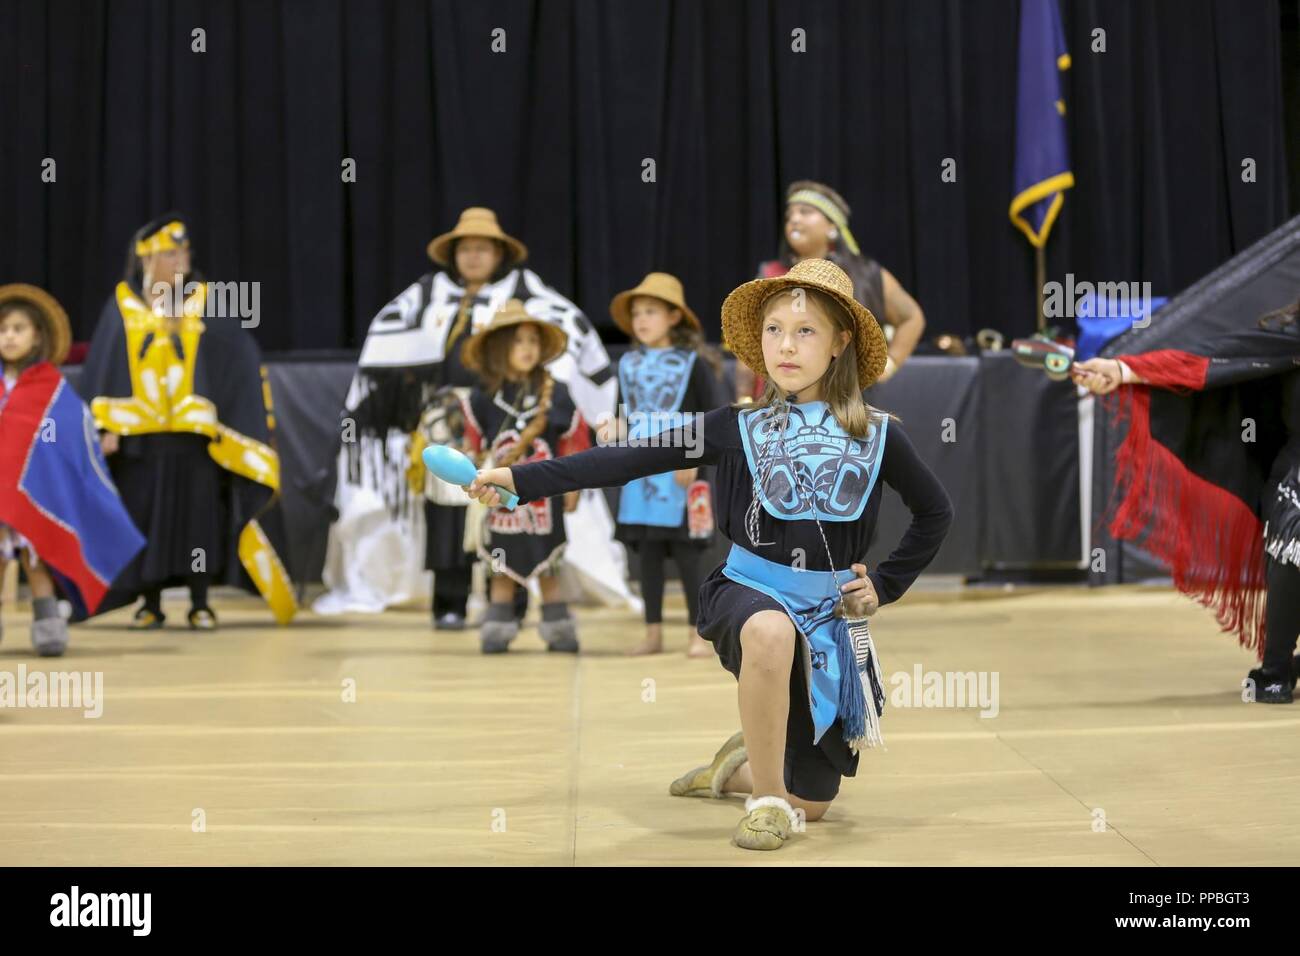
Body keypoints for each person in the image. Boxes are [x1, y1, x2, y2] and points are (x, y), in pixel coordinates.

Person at [466, 260, 953, 850]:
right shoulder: (736, 426)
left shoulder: (879, 434)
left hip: (827, 618)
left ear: (839, 343)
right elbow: (627, 458)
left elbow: (936, 513)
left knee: (817, 803)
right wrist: (520, 478)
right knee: (771, 633)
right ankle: (767, 803)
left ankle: (741, 769)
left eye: (805, 331)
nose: (785, 346)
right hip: (747, 593)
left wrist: (884, 582)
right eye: (774, 330)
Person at [318, 207, 627, 624]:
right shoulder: (425, 296)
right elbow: (386, 348)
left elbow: (577, 347)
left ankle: (509, 603)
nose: (474, 257)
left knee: (510, 503)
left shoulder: (530, 296)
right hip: (448, 415)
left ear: (499, 253)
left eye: (483, 249)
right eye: (466, 249)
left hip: (508, 410)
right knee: (447, 507)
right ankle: (450, 602)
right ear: (454, 254)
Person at [1071, 296, 1300, 702]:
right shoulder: (1289, 340)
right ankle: (1276, 669)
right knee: (1294, 543)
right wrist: (1123, 370)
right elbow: (1208, 361)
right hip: (1296, 481)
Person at [79, 215, 296, 629]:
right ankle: (150, 603)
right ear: (146, 260)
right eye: (169, 253)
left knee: (198, 521)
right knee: (143, 520)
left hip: (195, 441)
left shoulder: (206, 300)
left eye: (183, 252)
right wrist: (104, 426)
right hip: (139, 441)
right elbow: (104, 369)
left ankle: (200, 602)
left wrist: (221, 413)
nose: (179, 260)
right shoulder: (124, 303)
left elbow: (238, 357)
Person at [0, 285, 144, 654]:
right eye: (3, 330)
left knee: (36, 559)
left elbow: (72, 428)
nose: (10, 336)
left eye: (19, 329)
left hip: (36, 495)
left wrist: (96, 436)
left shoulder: (50, 387)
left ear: (37, 338)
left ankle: (48, 625)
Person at [456, 300, 589, 653]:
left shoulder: (556, 393)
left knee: (548, 564)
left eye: (532, 341)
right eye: (518, 342)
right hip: (500, 497)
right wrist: (465, 469)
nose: (527, 349)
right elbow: (472, 442)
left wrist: (576, 487)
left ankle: (558, 626)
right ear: (498, 348)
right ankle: (498, 625)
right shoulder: (483, 396)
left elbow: (574, 440)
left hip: (547, 497)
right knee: (501, 564)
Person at [605, 273, 722, 657]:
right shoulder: (628, 363)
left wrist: (692, 455)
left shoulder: (694, 363)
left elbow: (712, 417)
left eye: (651, 312)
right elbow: (623, 410)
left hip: (682, 466)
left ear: (674, 316)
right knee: (648, 556)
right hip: (641, 467)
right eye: (637, 313)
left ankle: (696, 631)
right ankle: (652, 632)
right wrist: (613, 426)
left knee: (689, 555)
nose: (641, 320)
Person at [737, 180, 926, 399]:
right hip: (776, 400)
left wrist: (889, 364)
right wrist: (745, 397)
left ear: (832, 227)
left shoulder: (865, 275)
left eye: (805, 212)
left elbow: (912, 317)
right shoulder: (771, 274)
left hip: (844, 401)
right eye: (790, 216)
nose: (794, 220)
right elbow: (750, 340)